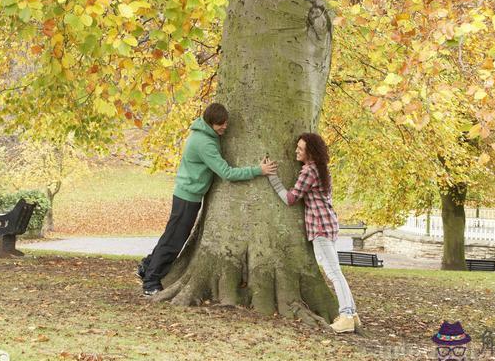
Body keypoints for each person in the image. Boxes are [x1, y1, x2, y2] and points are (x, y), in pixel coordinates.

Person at [138, 103, 277, 296]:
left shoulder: (205, 135)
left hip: (188, 194)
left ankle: (147, 266)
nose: (224, 127)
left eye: (225, 123)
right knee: (174, 240)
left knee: (172, 235)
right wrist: (258, 170)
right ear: (209, 123)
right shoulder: (204, 143)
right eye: (220, 125)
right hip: (188, 197)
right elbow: (226, 173)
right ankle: (150, 282)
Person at [265, 133, 359, 333]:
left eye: (301, 148)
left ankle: (347, 315)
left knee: (334, 273)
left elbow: (291, 199)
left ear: (310, 152)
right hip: (329, 224)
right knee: (337, 272)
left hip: (320, 228)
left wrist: (272, 178)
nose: (296, 151)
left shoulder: (309, 171)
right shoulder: (321, 169)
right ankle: (353, 315)